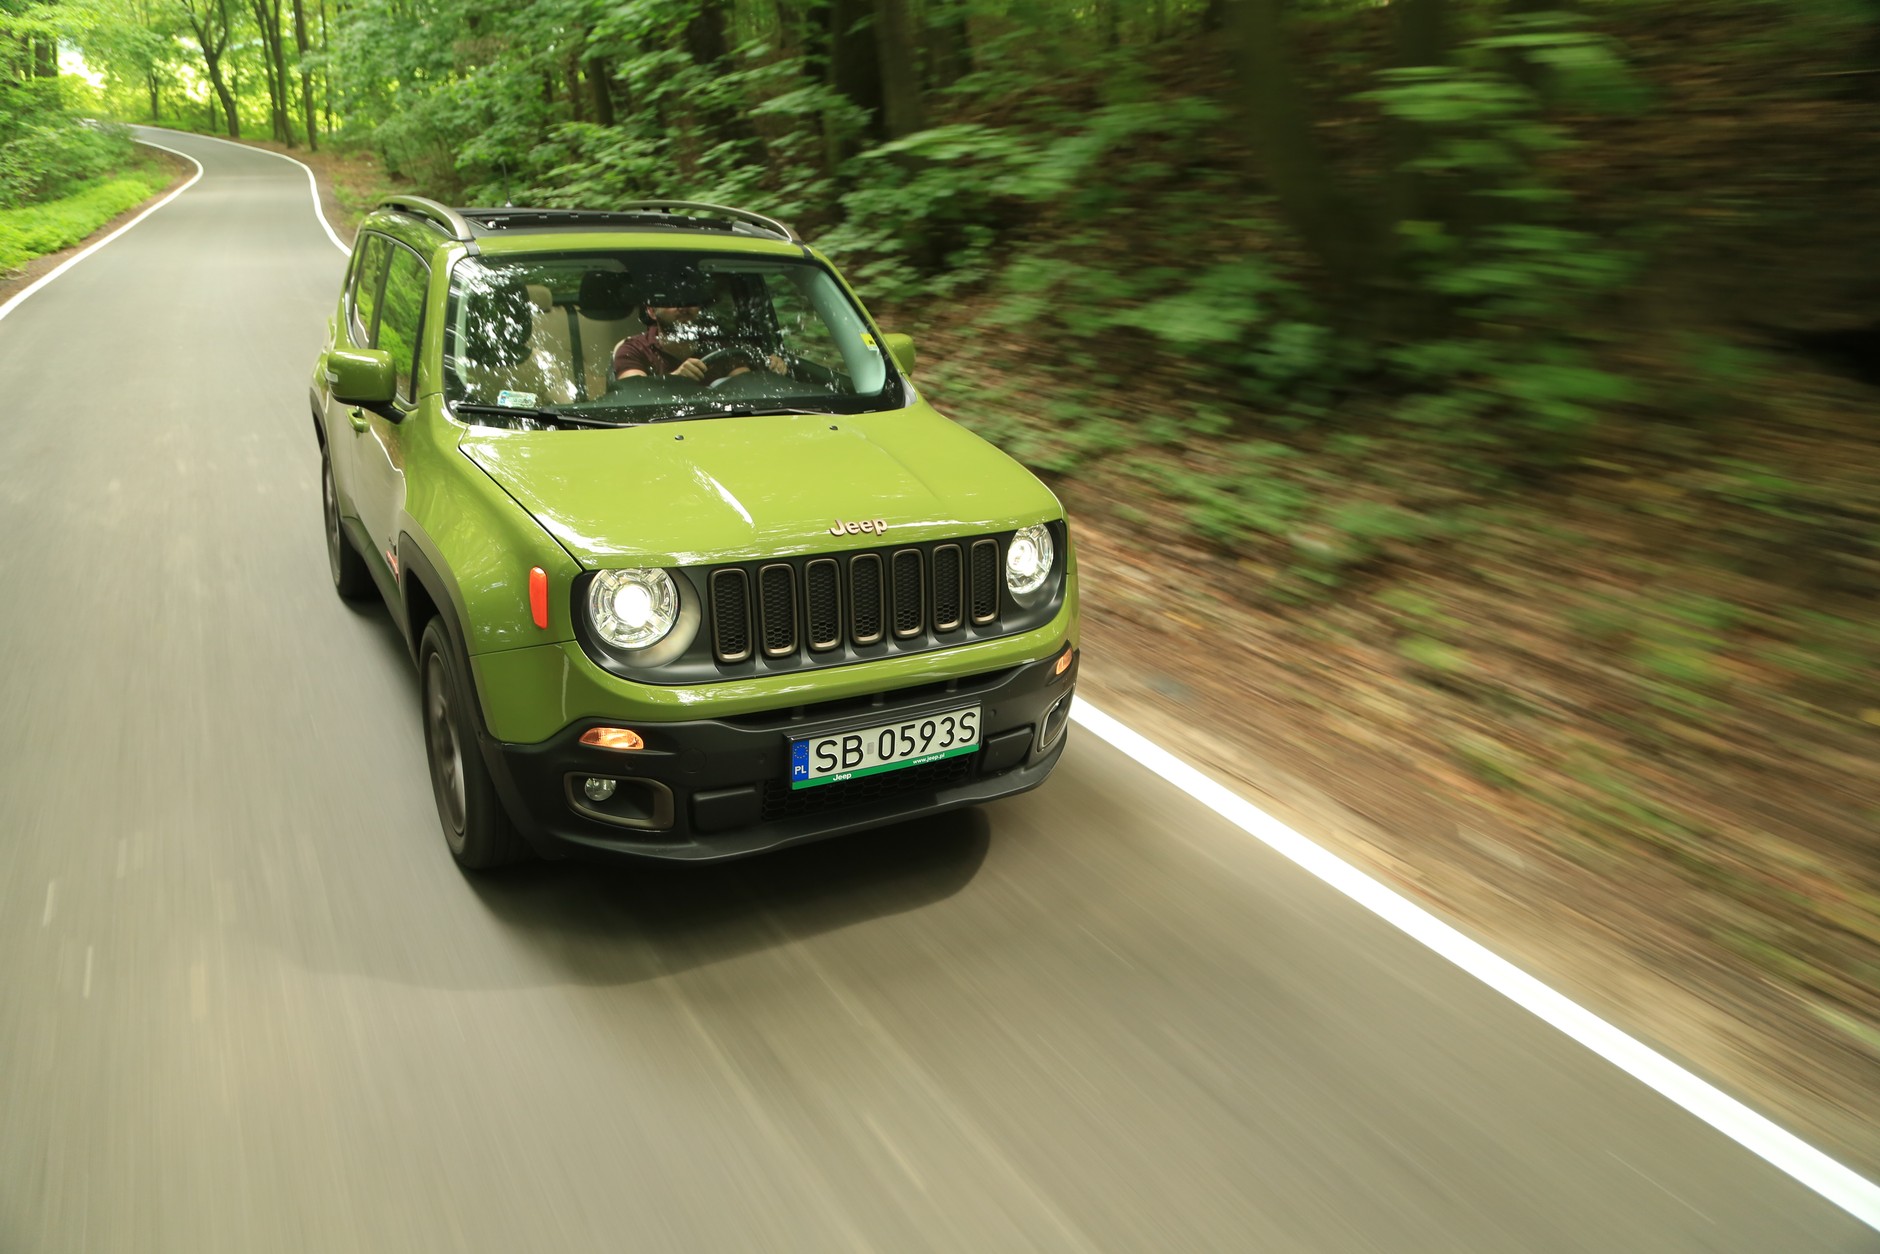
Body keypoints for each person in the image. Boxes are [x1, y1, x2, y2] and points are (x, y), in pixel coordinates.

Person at [612, 298, 786, 384]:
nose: (683, 307)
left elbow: (746, 384)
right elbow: (633, 394)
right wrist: (675, 380)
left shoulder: (721, 346)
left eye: (690, 300)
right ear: (651, 311)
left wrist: (769, 373)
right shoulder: (632, 350)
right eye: (671, 301)